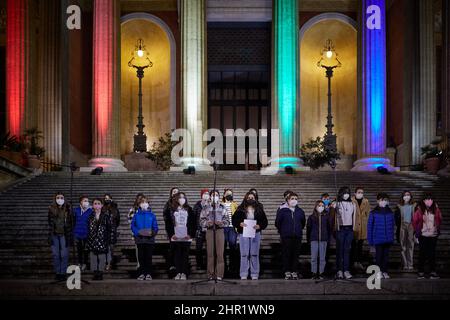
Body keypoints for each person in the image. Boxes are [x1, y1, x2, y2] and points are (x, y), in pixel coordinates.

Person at [233, 193, 268, 280]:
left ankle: (254, 273)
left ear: (255, 199)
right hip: (243, 233)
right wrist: (239, 223)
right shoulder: (240, 209)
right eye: (248, 197)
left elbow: (265, 221)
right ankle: (243, 273)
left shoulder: (259, 209)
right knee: (244, 254)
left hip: (255, 233)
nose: (250, 199)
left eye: (252, 197)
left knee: (254, 254)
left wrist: (259, 226)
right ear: (245, 198)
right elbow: (234, 220)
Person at [275, 191, 306, 280]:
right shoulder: (282, 210)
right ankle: (287, 271)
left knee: (295, 254)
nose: (294, 200)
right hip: (286, 236)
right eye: (292, 199)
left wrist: (298, 230)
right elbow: (278, 223)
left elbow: (303, 222)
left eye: (296, 199)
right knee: (286, 254)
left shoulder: (300, 211)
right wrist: (284, 231)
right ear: (288, 200)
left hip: (297, 236)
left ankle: (294, 271)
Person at [165, 192, 196, 280]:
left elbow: (193, 223)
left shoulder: (189, 209)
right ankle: (178, 272)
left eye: (183, 197)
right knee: (177, 254)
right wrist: (172, 234)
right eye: (180, 197)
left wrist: (190, 234)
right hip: (176, 236)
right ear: (176, 199)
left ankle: (184, 273)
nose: (182, 199)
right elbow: (168, 224)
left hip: (186, 236)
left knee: (185, 255)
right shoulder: (171, 209)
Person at [200, 190, 229, 280]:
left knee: (220, 253)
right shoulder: (205, 207)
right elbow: (201, 221)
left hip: (219, 230)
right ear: (210, 197)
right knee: (210, 253)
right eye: (213, 195)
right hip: (210, 230)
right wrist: (207, 223)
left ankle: (219, 274)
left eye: (216, 195)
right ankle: (210, 274)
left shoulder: (222, 207)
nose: (215, 196)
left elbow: (227, 221)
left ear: (219, 197)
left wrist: (221, 223)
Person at [412, 193, 442, 279]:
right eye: (427, 199)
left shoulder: (436, 209)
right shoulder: (419, 210)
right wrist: (418, 230)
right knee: (422, 254)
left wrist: (436, 227)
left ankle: (433, 272)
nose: (429, 201)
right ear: (423, 201)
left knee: (432, 254)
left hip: (433, 235)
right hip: (423, 235)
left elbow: (439, 219)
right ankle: (421, 272)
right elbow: (414, 221)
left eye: (431, 199)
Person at [367, 193, 395, 280]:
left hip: (387, 239)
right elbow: (369, 226)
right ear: (378, 201)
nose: (384, 202)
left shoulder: (390, 212)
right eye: (382, 200)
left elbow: (392, 226)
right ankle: (378, 272)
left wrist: (392, 238)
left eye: (386, 200)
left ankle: (385, 271)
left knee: (386, 256)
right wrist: (370, 240)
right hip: (378, 238)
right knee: (378, 256)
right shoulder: (373, 212)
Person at [131, 196, 159, 281]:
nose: (144, 204)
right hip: (140, 239)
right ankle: (141, 273)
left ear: (148, 204)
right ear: (139, 204)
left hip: (149, 240)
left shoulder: (152, 215)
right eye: (142, 202)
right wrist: (137, 232)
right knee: (141, 257)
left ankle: (148, 273)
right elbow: (133, 226)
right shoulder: (136, 215)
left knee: (148, 257)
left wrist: (152, 233)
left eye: (145, 202)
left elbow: (155, 227)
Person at [332, 186, 356, 280]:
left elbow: (354, 216)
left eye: (348, 193)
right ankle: (339, 270)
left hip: (349, 229)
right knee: (339, 250)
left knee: (347, 250)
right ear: (341, 193)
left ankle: (346, 270)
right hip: (340, 229)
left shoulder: (352, 204)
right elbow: (329, 209)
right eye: (344, 192)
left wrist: (353, 228)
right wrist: (334, 203)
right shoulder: (337, 203)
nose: (346, 194)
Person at [48, 192, 73, 280]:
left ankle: (63, 273)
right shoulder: (51, 208)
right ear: (55, 199)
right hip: (54, 234)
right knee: (56, 254)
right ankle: (58, 272)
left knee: (64, 254)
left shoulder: (67, 208)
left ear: (64, 199)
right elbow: (50, 221)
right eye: (58, 197)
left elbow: (71, 221)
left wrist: (69, 208)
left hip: (64, 234)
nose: (60, 199)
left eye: (62, 198)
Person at [307, 200, 332, 280]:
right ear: (316, 206)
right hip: (314, 239)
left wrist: (328, 239)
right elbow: (308, 229)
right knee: (313, 257)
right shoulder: (311, 217)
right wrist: (309, 240)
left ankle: (321, 273)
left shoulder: (327, 216)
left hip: (323, 239)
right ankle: (314, 273)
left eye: (322, 206)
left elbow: (329, 228)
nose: (320, 207)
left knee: (322, 258)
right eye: (319, 205)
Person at [87, 198, 111, 280]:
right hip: (92, 240)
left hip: (102, 240)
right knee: (93, 257)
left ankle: (100, 273)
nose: (97, 205)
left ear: (101, 205)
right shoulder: (90, 216)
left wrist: (107, 240)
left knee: (101, 257)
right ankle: (95, 273)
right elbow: (88, 228)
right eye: (95, 203)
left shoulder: (106, 216)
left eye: (98, 203)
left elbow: (109, 229)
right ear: (93, 205)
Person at [394, 191, 416, 271]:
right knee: (403, 246)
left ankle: (410, 264)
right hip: (402, 226)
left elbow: (417, 217)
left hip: (411, 226)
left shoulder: (414, 205)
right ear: (402, 197)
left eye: (408, 195)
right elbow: (396, 218)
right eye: (405, 195)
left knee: (410, 246)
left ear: (410, 196)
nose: (406, 196)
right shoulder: (399, 206)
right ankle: (405, 264)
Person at [352, 187, 371, 271]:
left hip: (362, 227)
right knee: (353, 246)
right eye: (359, 192)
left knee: (360, 246)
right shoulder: (351, 201)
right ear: (355, 193)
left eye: (362, 192)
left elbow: (368, 213)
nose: (361, 194)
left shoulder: (366, 201)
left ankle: (359, 262)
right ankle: (353, 262)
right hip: (354, 226)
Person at [221, 188, 239, 277]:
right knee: (222, 248)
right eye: (227, 193)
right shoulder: (220, 204)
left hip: (232, 228)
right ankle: (223, 268)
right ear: (224, 195)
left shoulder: (235, 204)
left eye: (230, 193)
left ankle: (233, 267)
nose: (229, 195)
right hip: (223, 228)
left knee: (233, 247)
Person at [72, 195, 92, 271]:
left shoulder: (90, 211)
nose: (86, 202)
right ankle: (80, 263)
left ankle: (85, 263)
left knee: (86, 250)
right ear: (80, 202)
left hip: (87, 233)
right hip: (77, 233)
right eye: (85, 201)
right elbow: (73, 221)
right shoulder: (76, 210)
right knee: (79, 249)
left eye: (87, 201)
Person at [163, 187, 180, 276]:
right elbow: (166, 217)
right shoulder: (168, 204)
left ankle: (179, 266)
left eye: (177, 192)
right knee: (173, 247)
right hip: (171, 229)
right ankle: (171, 265)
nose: (175, 193)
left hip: (181, 229)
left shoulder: (182, 203)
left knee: (179, 247)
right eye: (174, 192)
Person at [193, 189, 209, 270]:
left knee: (208, 248)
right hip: (199, 230)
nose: (206, 195)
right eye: (204, 193)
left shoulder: (210, 204)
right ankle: (199, 264)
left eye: (207, 193)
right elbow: (193, 216)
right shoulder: (197, 204)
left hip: (208, 229)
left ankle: (207, 264)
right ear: (201, 195)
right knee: (198, 247)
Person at [103, 193, 120, 271]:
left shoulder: (115, 208)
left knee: (111, 248)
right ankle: (107, 263)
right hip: (104, 230)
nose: (107, 199)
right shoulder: (103, 208)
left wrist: (114, 227)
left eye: (108, 198)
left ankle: (110, 263)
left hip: (112, 230)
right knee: (105, 248)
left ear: (111, 199)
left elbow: (118, 220)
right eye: (105, 198)